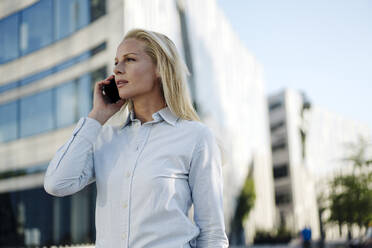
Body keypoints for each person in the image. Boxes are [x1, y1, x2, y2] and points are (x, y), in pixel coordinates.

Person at [44, 28, 229, 248]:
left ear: (160, 68)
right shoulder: (105, 139)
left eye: (129, 60)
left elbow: (213, 235)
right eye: (116, 62)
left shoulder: (196, 137)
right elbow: (57, 183)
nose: (117, 69)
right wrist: (97, 117)